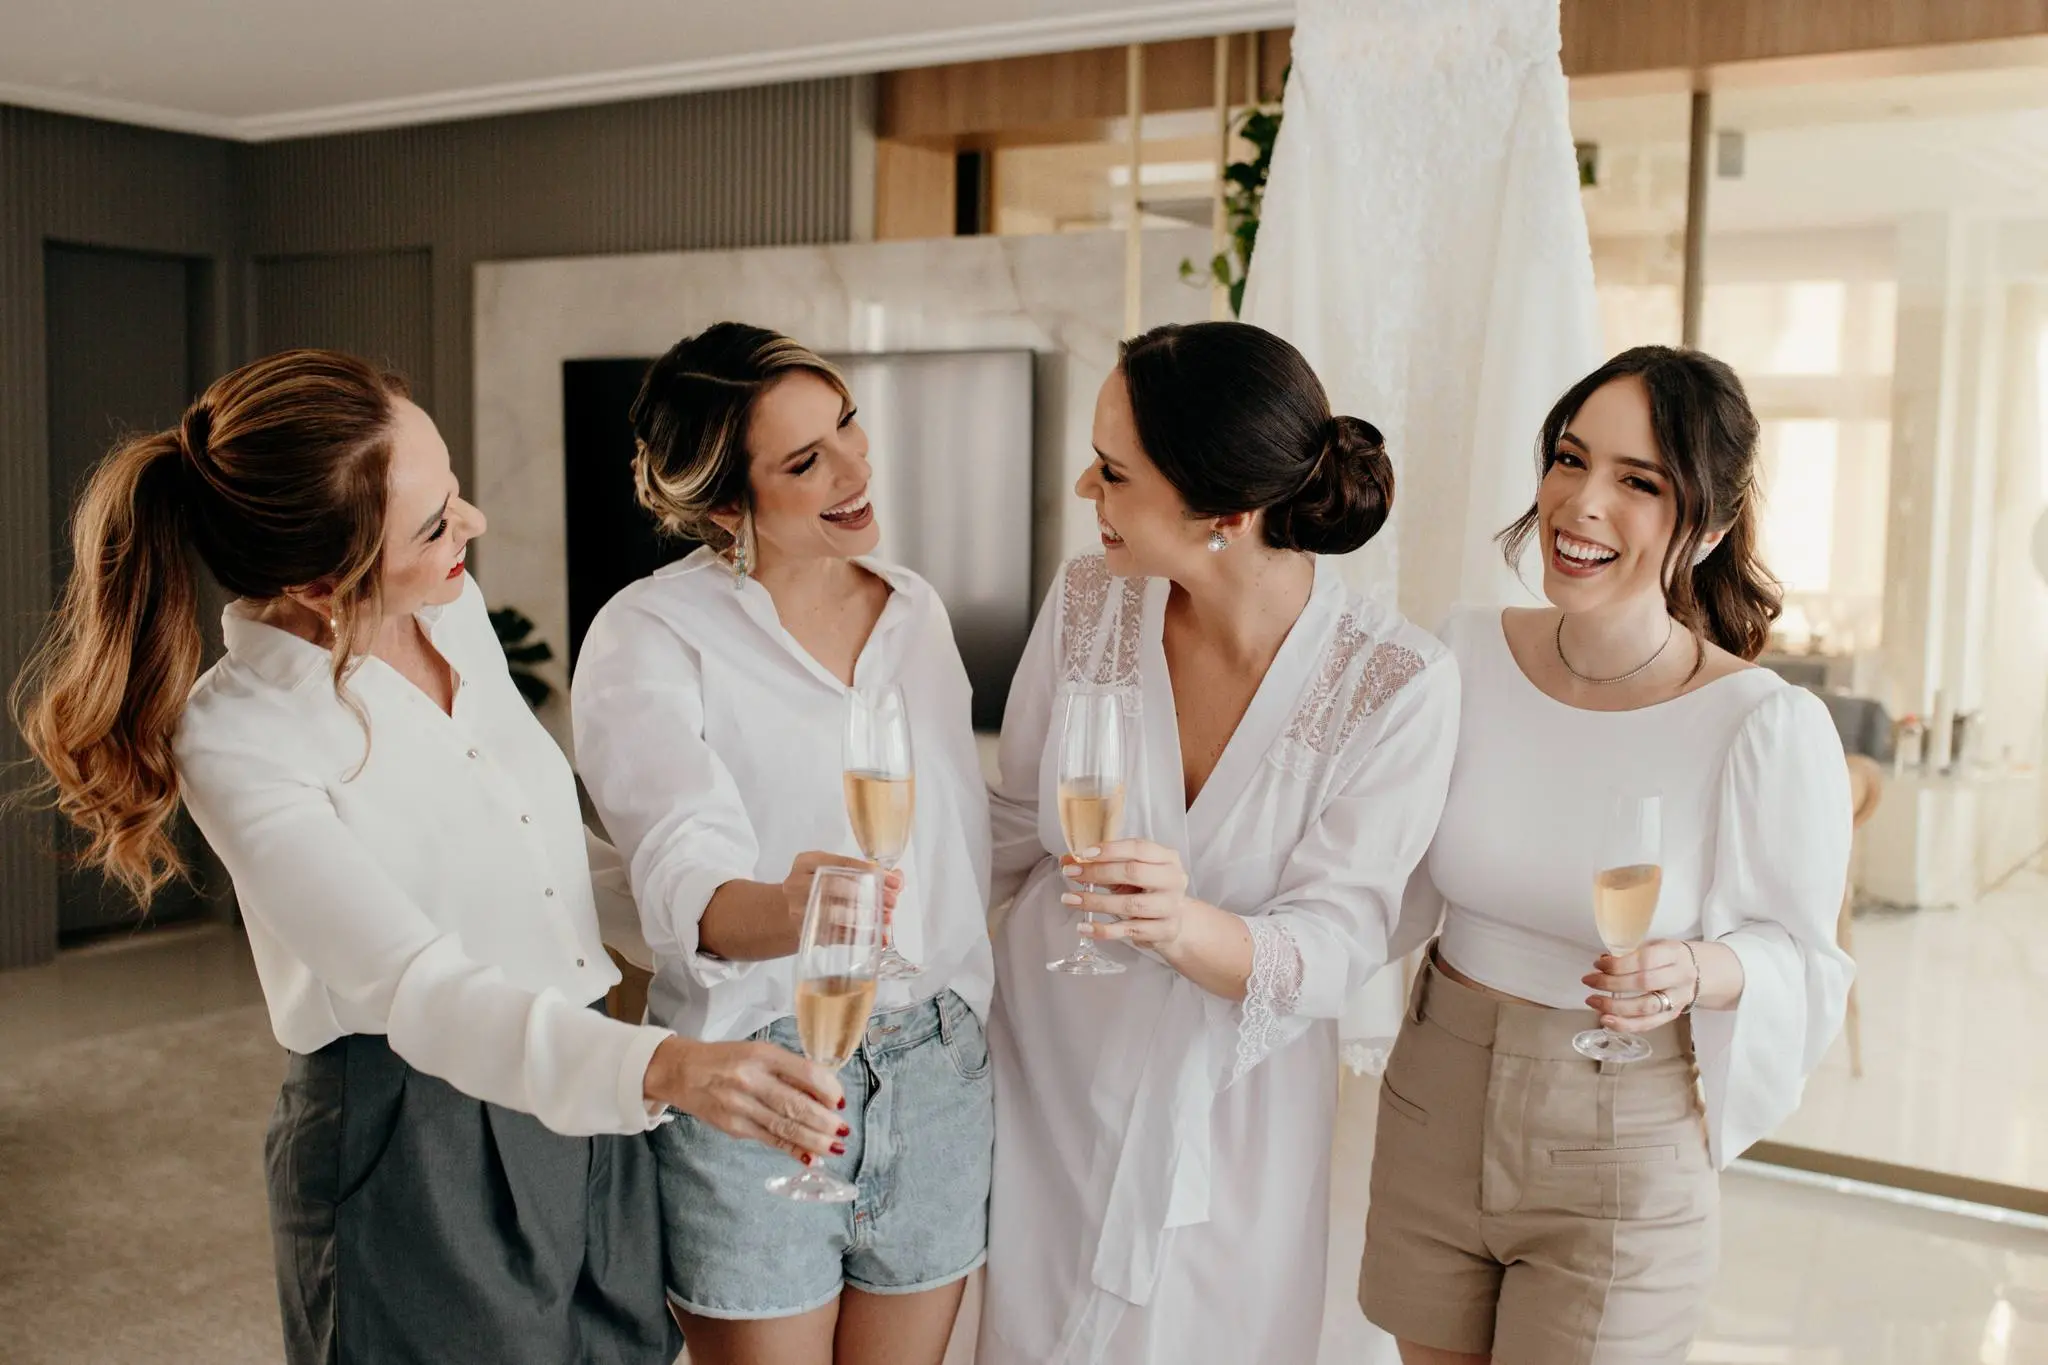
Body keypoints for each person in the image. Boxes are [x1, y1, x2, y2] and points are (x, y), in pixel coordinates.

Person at [11, 349, 846, 1365]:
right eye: (435, 523)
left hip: (588, 1079)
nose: (473, 526)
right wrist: (671, 1067)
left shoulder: (449, 611)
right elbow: (416, 986)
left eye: (453, 493)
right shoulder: (237, 737)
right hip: (415, 1135)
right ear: (320, 583)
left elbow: (545, 860)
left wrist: (741, 910)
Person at [1360, 346, 1854, 1365]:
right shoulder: (1462, 652)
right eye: (1570, 459)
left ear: (1706, 527)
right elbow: (1377, 878)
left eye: (1639, 482)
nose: (1581, 503)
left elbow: (1806, 960)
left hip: (1618, 1137)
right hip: (1433, 1101)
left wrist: (1697, 967)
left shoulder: (1758, 723)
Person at [977, 321, 1460, 1365]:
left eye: (1113, 472)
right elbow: (1013, 824)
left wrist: (1181, 927)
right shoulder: (1088, 601)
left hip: (1231, 1113)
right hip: (1041, 1074)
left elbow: (1338, 941)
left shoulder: (1395, 682)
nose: (1084, 488)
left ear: (1226, 515)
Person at [571, 322, 995, 1365]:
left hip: (936, 1066)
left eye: (846, 426)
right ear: (727, 506)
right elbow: (684, 876)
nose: (854, 468)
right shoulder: (650, 634)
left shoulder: (916, 613)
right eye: (805, 461)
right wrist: (798, 912)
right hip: (758, 1076)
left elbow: (961, 839)